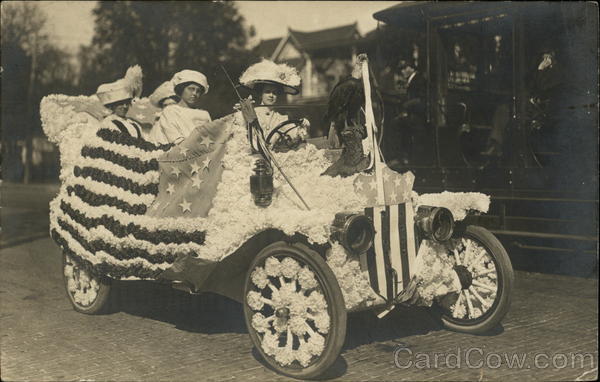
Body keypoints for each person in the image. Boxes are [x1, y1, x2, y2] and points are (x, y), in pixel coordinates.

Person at [238, 59, 309, 150]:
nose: (271, 95)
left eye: (274, 93)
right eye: (267, 92)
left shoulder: (280, 118)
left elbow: (294, 136)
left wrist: (303, 127)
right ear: (261, 94)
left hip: (273, 157)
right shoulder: (251, 112)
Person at [149, 70, 212, 145]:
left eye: (198, 91)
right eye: (191, 89)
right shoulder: (170, 111)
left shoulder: (204, 114)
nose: (194, 93)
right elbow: (175, 139)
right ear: (182, 89)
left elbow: (210, 137)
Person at [96, 65, 145, 139]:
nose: (125, 106)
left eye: (127, 103)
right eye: (121, 104)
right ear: (112, 106)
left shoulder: (134, 124)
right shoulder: (108, 123)